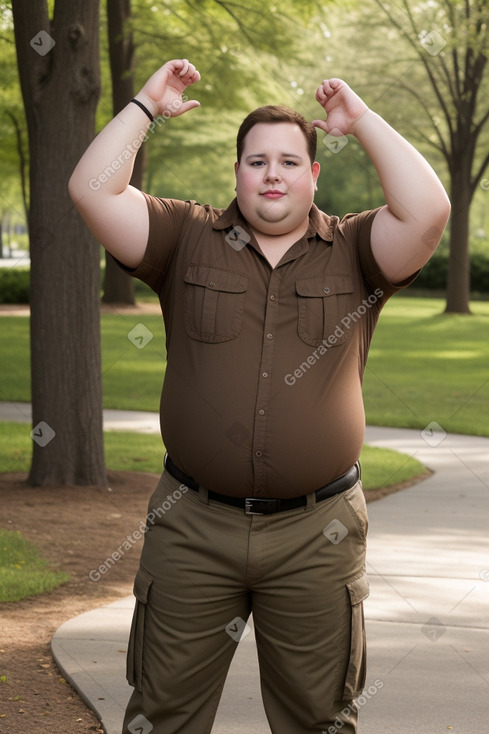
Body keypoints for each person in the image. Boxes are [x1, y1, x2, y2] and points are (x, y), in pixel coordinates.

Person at [69, 58, 450, 734]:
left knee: (318, 721)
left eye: (288, 160)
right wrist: (146, 107)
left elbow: (428, 209)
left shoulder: (359, 248)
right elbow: (93, 190)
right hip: (192, 530)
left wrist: (358, 121)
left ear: (313, 174)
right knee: (160, 718)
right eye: (254, 160)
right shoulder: (182, 237)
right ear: (236, 174)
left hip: (317, 533)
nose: (271, 173)